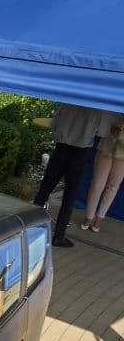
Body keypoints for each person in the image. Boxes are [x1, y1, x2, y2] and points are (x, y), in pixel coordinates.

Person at [35, 103, 103, 248]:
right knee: (69, 197)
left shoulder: (68, 100)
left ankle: (30, 227)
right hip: (80, 153)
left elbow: (54, 124)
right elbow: (102, 132)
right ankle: (59, 236)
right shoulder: (97, 105)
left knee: (44, 191)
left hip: (61, 149)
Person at [80, 110, 124, 233]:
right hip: (106, 148)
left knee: (113, 186)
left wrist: (119, 135)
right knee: (97, 184)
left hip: (122, 156)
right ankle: (89, 216)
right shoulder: (113, 105)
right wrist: (111, 131)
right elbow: (101, 126)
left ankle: (100, 217)